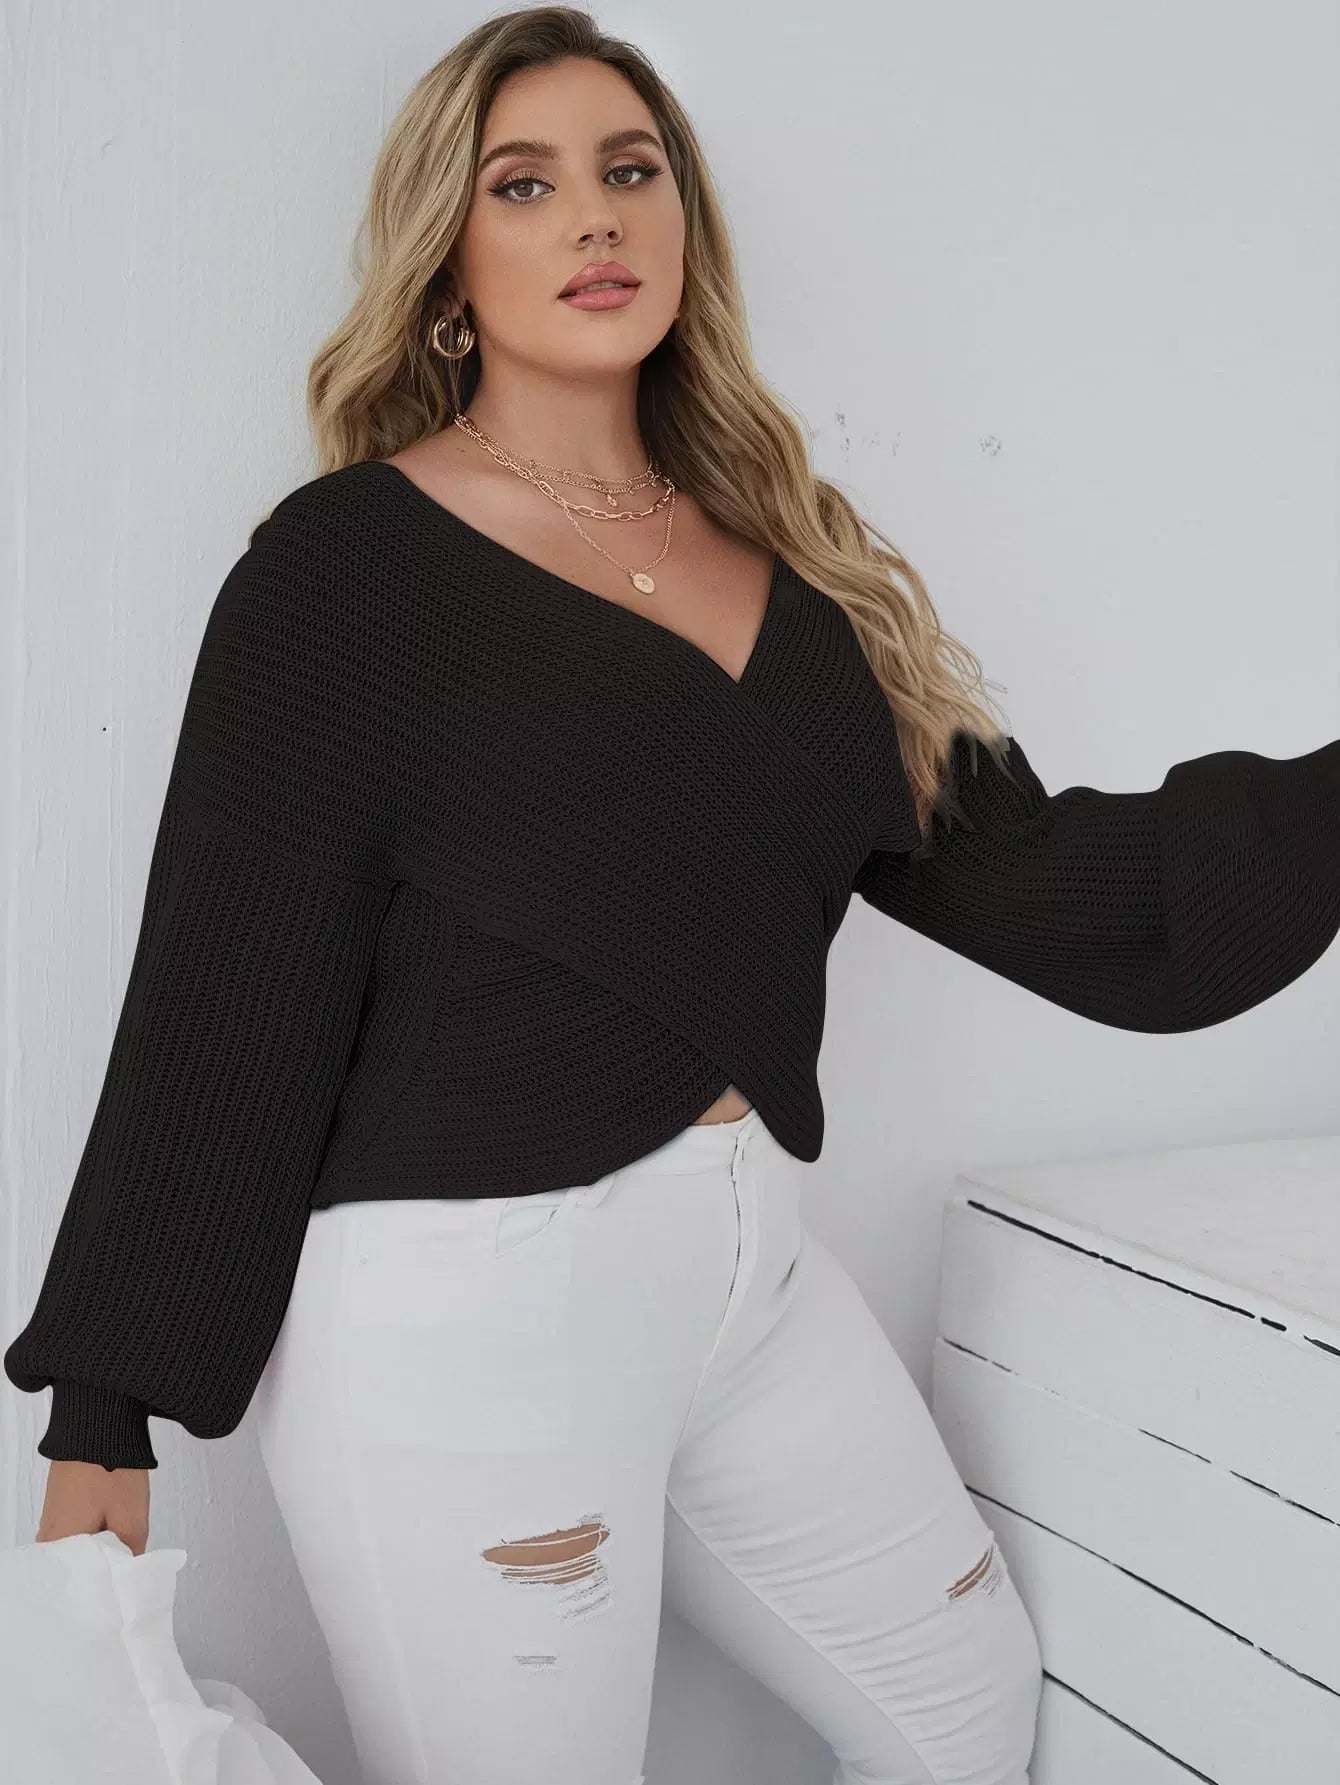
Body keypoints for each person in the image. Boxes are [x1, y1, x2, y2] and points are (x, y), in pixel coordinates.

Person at [7, 10, 1337, 1784]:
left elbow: (1068, 893)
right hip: (468, 1313)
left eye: (630, 170)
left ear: (684, 218)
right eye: (524, 184)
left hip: (746, 1274)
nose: (594, 216)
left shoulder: (798, 583)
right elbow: (222, 993)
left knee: (966, 1706)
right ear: (448, 261)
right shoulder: (346, 569)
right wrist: (102, 1415)